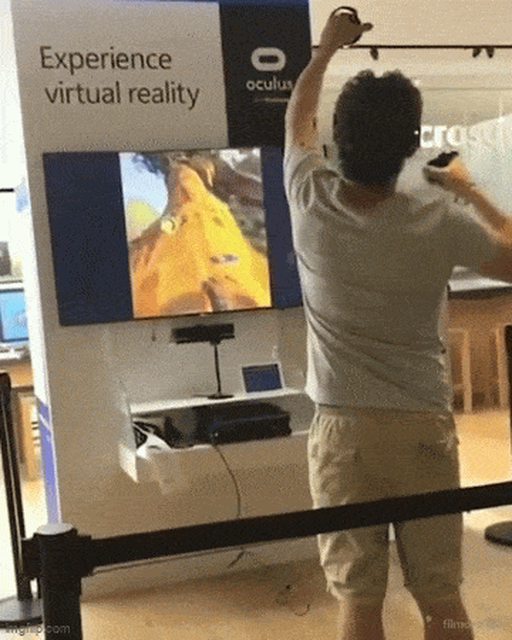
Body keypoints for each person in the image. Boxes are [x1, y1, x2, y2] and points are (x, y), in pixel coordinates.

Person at [284, 10, 512, 640]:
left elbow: (296, 119)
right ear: (412, 146)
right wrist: (468, 190)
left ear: (338, 140)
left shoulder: (309, 199)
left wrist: (326, 50)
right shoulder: (441, 220)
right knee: (442, 598)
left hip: (344, 431)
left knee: (358, 603)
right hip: (421, 426)